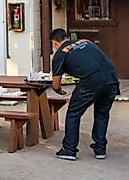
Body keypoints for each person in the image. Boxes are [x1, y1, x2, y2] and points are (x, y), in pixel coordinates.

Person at [49, 28, 119, 161]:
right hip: (112, 77)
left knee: (73, 113)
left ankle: (69, 150)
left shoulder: (60, 53)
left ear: (54, 42)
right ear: (68, 37)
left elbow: (55, 84)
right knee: (102, 114)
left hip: (91, 80)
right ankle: (100, 149)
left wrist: (60, 91)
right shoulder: (86, 41)